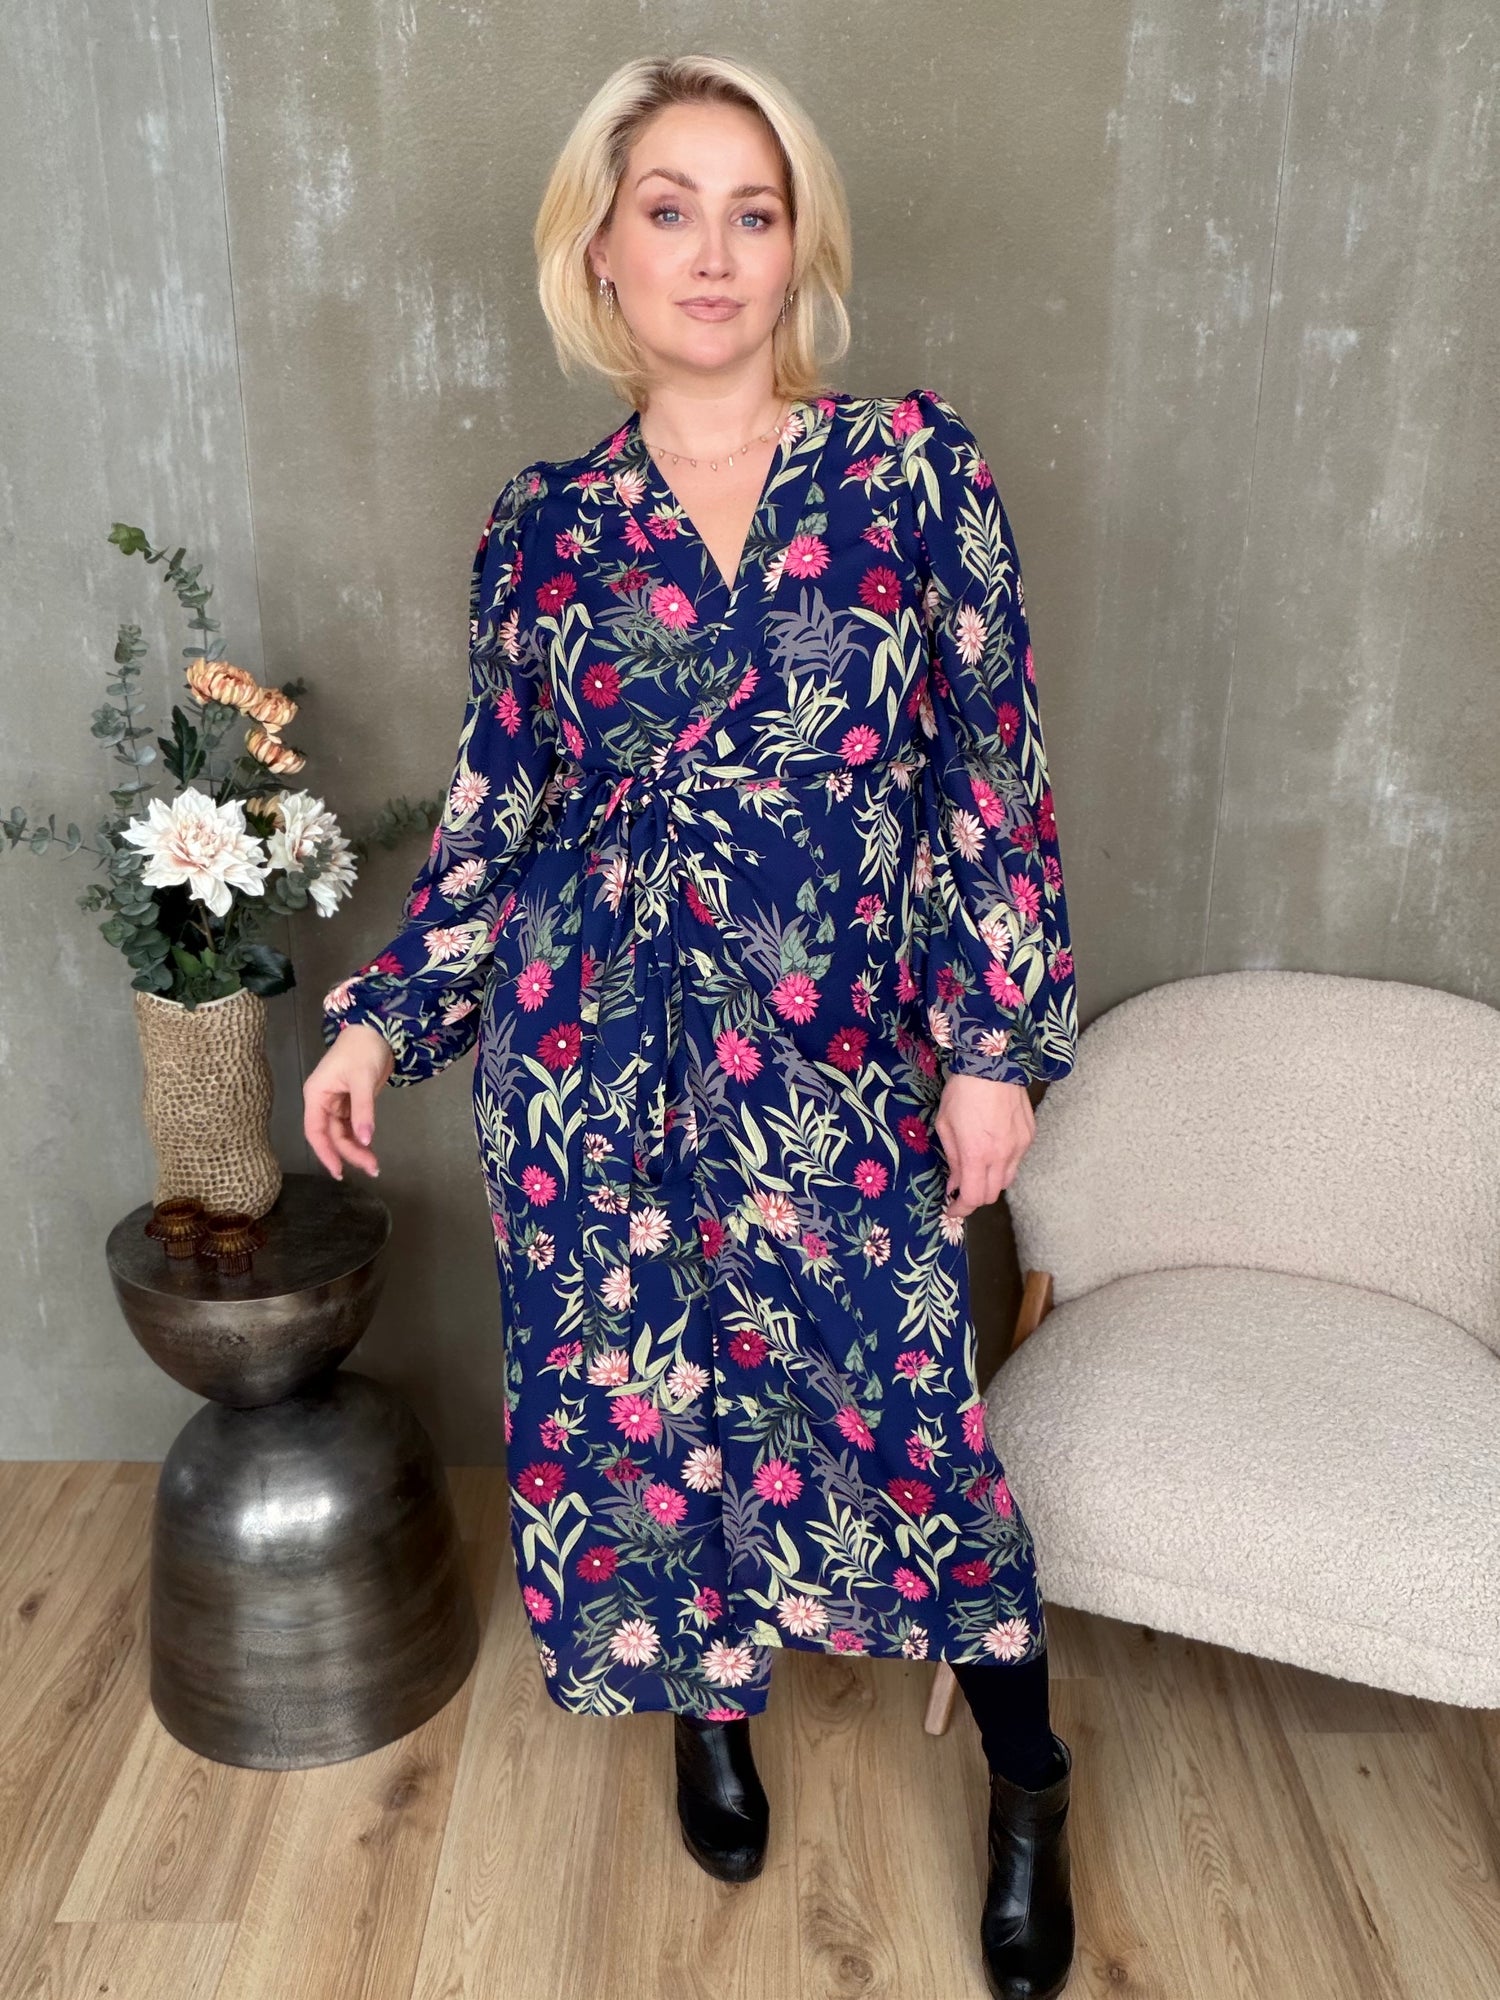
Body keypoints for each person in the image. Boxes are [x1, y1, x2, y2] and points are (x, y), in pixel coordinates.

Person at [303, 51, 1079, 2000]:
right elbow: (497, 810)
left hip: (830, 1061)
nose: (714, 251)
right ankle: (706, 1712)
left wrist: (993, 1044)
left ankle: (1030, 1778)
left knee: (908, 1429)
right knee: (648, 1423)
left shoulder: (912, 471)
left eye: (753, 209)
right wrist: (380, 1025)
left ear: (798, 243)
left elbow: (987, 773)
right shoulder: (545, 525)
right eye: (670, 209)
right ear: (601, 247)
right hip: (596, 1066)